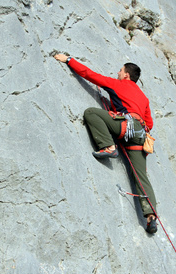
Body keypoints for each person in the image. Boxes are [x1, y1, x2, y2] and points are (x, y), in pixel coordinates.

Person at [54, 53, 158, 234]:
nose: (118, 73)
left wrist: (69, 60)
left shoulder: (119, 84)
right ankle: (151, 215)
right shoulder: (144, 98)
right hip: (140, 136)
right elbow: (150, 124)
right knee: (141, 176)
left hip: (125, 127)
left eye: (120, 70)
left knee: (91, 112)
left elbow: (90, 75)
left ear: (126, 75)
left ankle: (109, 147)